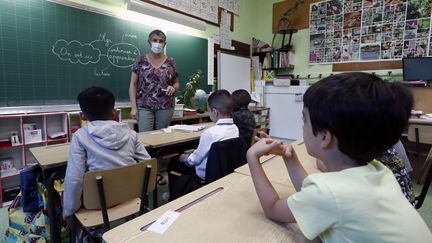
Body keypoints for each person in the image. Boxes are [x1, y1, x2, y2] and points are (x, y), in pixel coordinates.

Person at [247, 72, 432, 242]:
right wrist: (289, 156)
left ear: (325, 137)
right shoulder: (378, 170)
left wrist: (252, 157)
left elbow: (272, 208)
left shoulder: (329, 195)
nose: (302, 125)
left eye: (304, 119)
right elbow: (313, 194)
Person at [63, 86, 151, 218]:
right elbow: (148, 164)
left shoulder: (80, 136)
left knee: (65, 195)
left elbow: (74, 179)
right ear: (114, 112)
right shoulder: (131, 134)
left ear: (82, 116)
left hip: (98, 202)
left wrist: (69, 211)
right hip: (131, 195)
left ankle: (85, 234)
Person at [168, 90, 239, 192]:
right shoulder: (235, 128)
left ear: (215, 112)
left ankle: (175, 194)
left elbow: (194, 160)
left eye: (209, 111)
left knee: (174, 162)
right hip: (225, 171)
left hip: (206, 175)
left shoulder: (209, 133)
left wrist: (185, 158)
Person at [129, 29, 180, 132]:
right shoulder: (140, 60)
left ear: (164, 44)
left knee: (161, 137)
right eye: (155, 40)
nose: (158, 43)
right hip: (144, 106)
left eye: (161, 41)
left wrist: (173, 88)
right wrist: (133, 107)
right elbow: (133, 84)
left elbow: (176, 82)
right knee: (145, 137)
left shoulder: (171, 61)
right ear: (149, 42)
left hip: (165, 106)